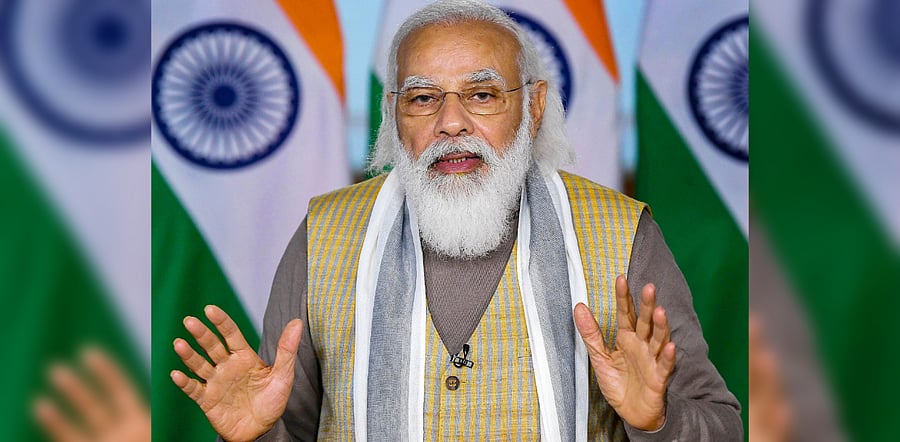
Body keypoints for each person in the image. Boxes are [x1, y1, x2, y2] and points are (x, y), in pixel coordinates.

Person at [170, 1, 742, 440]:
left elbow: (721, 425)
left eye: (483, 94)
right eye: (422, 98)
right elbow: (289, 431)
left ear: (534, 106)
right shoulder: (324, 236)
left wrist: (658, 419)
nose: (451, 122)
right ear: (394, 115)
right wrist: (255, 436)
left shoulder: (621, 232)